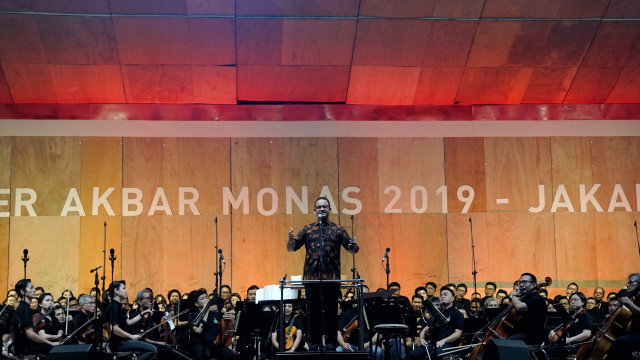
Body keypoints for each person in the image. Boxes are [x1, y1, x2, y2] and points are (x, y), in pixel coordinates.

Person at [287, 196, 359, 350]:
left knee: (331, 314)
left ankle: (331, 345)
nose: (322, 209)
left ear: (329, 210)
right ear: (314, 210)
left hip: (331, 280)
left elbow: (352, 249)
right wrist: (290, 240)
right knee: (313, 314)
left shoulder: (338, 230)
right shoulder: (307, 229)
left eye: (325, 207)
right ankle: (313, 345)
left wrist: (354, 245)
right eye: (319, 207)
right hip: (312, 280)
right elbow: (291, 248)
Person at [104, 281, 157, 360]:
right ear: (116, 291)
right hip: (119, 343)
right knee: (153, 350)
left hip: (123, 341)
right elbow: (114, 328)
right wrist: (131, 336)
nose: (126, 291)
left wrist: (142, 314)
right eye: (123, 288)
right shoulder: (114, 306)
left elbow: (128, 322)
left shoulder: (118, 306)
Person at [407, 287, 463, 359]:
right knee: (413, 354)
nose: (442, 296)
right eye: (441, 295)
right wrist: (421, 339)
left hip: (448, 344)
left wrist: (444, 340)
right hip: (433, 343)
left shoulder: (457, 314)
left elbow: (458, 334)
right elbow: (425, 329)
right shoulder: (437, 313)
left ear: (452, 298)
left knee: (435, 354)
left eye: (445, 295)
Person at [10, 279, 59, 356]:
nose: (34, 290)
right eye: (31, 288)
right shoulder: (23, 309)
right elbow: (30, 334)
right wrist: (51, 343)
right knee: (53, 349)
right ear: (22, 291)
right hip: (24, 348)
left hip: (28, 346)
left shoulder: (26, 307)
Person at [545, 292, 594, 359]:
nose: (573, 302)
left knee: (549, 351)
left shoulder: (585, 315)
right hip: (569, 344)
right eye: (571, 300)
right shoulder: (573, 315)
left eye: (576, 300)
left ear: (583, 302)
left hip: (577, 346)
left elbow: (587, 334)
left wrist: (569, 340)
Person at [506, 273, 547, 345]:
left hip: (531, 336)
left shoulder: (537, 298)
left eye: (524, 282)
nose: (521, 285)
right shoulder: (525, 297)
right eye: (520, 283)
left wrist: (512, 295)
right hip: (520, 333)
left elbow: (519, 307)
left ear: (534, 285)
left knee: (505, 343)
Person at [609, 273, 640, 359]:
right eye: (628, 283)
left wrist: (629, 303)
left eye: (630, 282)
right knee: (614, 340)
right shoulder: (634, 298)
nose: (628, 285)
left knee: (620, 342)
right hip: (634, 331)